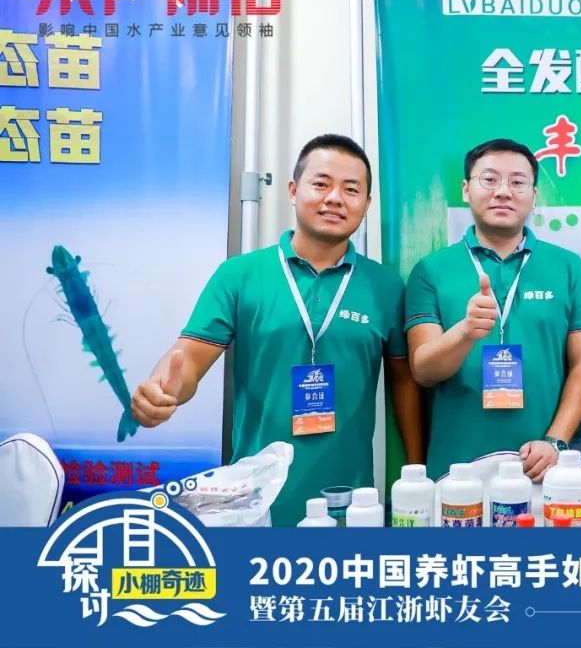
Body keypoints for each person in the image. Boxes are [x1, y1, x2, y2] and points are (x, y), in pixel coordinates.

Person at [131, 134, 423, 525]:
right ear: (293, 190)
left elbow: (404, 384)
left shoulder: (385, 286)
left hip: (350, 503)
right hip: (254, 503)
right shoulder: (239, 275)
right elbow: (188, 360)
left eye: (351, 189)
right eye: (321, 184)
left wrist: (417, 471)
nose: (335, 198)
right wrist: (162, 392)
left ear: (367, 204)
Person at [404, 138, 581, 481]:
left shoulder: (567, 267)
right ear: (466, 190)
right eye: (490, 179)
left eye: (518, 182)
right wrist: (465, 333)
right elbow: (423, 371)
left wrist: (555, 442)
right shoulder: (431, 270)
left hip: (541, 466)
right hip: (456, 468)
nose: (503, 192)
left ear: (534, 195)